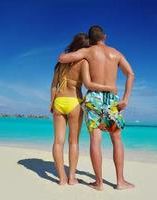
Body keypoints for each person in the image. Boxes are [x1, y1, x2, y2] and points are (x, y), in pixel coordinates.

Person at [58, 25, 135, 190]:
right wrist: (125, 99)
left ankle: (99, 183)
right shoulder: (116, 53)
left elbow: (62, 59)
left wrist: (72, 50)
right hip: (112, 99)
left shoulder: (88, 52)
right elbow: (131, 74)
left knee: (95, 139)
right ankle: (120, 181)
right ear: (105, 37)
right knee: (116, 139)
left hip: (94, 97)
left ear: (90, 39)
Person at [50, 32, 116, 185]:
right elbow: (88, 84)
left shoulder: (61, 63)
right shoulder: (83, 62)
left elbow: (53, 85)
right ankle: (72, 177)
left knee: (58, 142)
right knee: (74, 142)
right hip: (74, 101)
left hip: (59, 101)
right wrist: (108, 87)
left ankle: (61, 178)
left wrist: (51, 102)